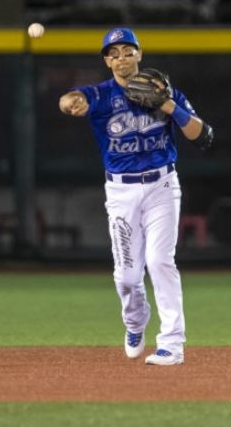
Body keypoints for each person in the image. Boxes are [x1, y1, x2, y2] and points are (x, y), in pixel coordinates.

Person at [58, 27, 214, 366]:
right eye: (114, 53)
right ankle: (134, 322)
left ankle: (172, 345)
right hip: (121, 191)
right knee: (127, 278)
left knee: (160, 261)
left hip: (162, 186)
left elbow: (203, 136)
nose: (122, 57)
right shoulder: (100, 96)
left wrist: (170, 105)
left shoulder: (163, 90)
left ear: (139, 55)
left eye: (128, 51)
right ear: (106, 61)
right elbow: (72, 98)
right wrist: (71, 102)